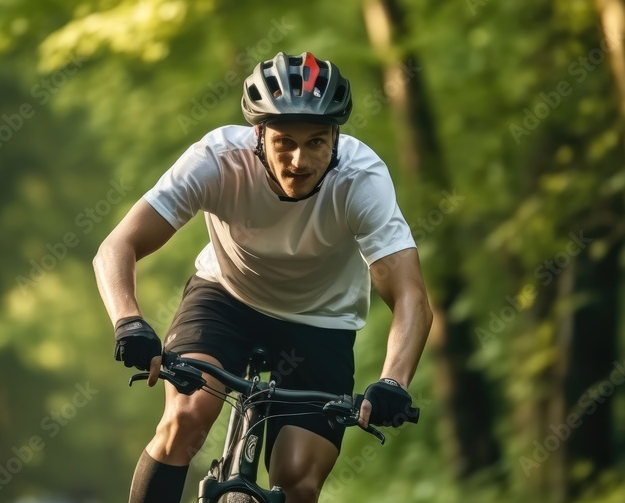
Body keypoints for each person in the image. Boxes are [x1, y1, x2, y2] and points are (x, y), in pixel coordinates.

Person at [93, 51, 433, 503]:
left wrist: (393, 381)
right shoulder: (217, 160)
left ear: (335, 136)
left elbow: (411, 296)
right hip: (226, 300)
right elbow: (117, 247)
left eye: (316, 142)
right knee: (186, 420)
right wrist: (128, 320)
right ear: (258, 135)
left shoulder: (361, 180)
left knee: (297, 480)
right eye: (284, 142)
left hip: (320, 322)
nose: (300, 160)